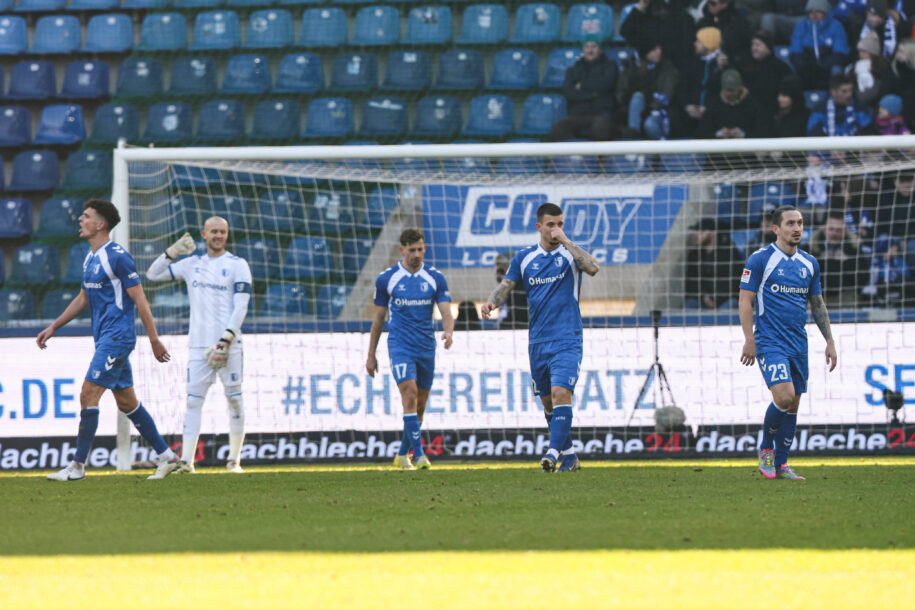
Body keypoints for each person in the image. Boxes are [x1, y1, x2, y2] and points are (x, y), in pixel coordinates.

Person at [37, 199, 181, 481]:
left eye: (86, 216)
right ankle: (167, 456)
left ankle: (77, 467)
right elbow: (83, 298)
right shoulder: (91, 257)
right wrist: (54, 326)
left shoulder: (118, 257)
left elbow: (140, 299)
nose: (80, 219)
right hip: (105, 337)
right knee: (127, 403)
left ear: (100, 224)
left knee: (87, 394)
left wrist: (154, 340)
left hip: (117, 337)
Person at [480, 203, 600, 473]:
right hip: (537, 341)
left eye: (560, 224)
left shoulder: (570, 254)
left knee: (561, 394)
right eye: (551, 224)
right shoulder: (525, 257)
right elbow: (506, 286)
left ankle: (552, 453)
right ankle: (570, 457)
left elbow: (593, 267)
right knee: (547, 401)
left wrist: (566, 241)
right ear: (539, 227)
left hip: (567, 337)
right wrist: (491, 302)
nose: (556, 229)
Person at [145, 216, 253, 474]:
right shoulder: (192, 264)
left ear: (227, 235)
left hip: (229, 345)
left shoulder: (238, 265)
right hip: (198, 346)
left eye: (222, 232)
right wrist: (173, 251)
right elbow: (152, 274)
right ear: (204, 234)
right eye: (213, 231)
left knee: (234, 400)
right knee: (193, 402)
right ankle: (187, 462)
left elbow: (241, 306)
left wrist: (226, 339)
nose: (218, 236)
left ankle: (234, 461)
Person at [739, 206, 838, 481]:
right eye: (791, 223)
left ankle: (782, 464)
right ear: (776, 229)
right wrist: (749, 339)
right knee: (783, 395)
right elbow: (745, 300)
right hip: (770, 341)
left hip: (798, 343)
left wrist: (829, 341)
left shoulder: (810, 263)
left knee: (793, 404)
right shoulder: (760, 259)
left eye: (800, 223)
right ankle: (766, 450)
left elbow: (817, 304)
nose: (797, 228)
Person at [366, 228, 453, 470]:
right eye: (412, 250)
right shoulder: (387, 279)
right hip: (400, 346)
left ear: (425, 249)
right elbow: (378, 318)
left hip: (426, 347)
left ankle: (402, 454)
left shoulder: (435, 278)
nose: (416, 254)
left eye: (420, 249)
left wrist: (448, 331)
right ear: (402, 250)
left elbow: (446, 311)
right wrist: (371, 355)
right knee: (410, 394)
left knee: (420, 405)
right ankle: (420, 456)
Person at [550, 33, 618, 142]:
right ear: (583, 49)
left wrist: (582, 85)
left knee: (601, 128)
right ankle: (574, 152)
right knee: (558, 129)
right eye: (587, 47)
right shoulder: (574, 69)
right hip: (578, 113)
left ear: (600, 49)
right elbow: (568, 92)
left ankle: (596, 154)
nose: (590, 50)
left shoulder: (610, 66)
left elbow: (606, 84)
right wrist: (594, 94)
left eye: (594, 47)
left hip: (601, 112)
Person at [616, 35, 679, 140]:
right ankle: (633, 136)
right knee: (637, 98)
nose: (659, 52)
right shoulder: (630, 66)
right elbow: (620, 92)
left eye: (659, 49)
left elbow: (666, 94)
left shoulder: (667, 67)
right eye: (654, 50)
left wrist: (650, 109)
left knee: (650, 125)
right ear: (645, 53)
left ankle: (660, 149)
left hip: (660, 110)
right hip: (632, 110)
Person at [621, 0, 697, 73]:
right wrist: (641, 8)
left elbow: (685, 48)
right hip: (646, 65)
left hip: (672, 68)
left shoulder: (684, 20)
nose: (661, 11)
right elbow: (626, 32)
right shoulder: (645, 19)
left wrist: (661, 53)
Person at [684, 218, 744, 309]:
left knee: (731, 304)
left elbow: (735, 281)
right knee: (689, 304)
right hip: (702, 300)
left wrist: (716, 299)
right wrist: (704, 297)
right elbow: (691, 283)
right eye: (696, 231)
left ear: (713, 233)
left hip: (725, 299)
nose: (696, 234)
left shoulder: (728, 252)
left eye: (701, 231)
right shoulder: (694, 255)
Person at [789, 0, 850, 90]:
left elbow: (840, 51)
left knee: (836, 69)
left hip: (827, 65)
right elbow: (795, 50)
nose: (814, 15)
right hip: (808, 68)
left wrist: (823, 65)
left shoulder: (836, 26)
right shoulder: (801, 26)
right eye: (811, 12)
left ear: (825, 12)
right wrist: (806, 65)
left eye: (818, 11)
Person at [675, 27, 724, 138]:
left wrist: (708, 109)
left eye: (699, 41)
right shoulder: (692, 63)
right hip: (689, 115)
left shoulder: (723, 64)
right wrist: (687, 106)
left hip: (713, 117)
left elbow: (722, 93)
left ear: (708, 43)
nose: (695, 44)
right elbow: (681, 88)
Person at [809, 210, 863, 301]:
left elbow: (863, 279)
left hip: (846, 295)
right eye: (831, 229)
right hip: (817, 295)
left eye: (839, 230)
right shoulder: (811, 247)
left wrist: (846, 261)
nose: (834, 234)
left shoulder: (854, 248)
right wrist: (822, 260)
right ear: (824, 230)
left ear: (844, 232)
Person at [697, 69, 766, 139]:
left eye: (733, 90)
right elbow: (702, 134)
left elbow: (763, 134)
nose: (730, 93)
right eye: (728, 89)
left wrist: (743, 135)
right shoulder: (713, 107)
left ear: (740, 86)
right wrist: (719, 134)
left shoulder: (752, 107)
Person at [740, 30, 792, 117]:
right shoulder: (746, 66)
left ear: (768, 47)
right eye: (753, 44)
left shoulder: (782, 68)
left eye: (758, 45)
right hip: (749, 113)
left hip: (772, 114)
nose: (754, 48)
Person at [807, 74, 873, 136]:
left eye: (851, 90)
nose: (849, 95)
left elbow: (869, 133)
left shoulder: (860, 109)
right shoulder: (819, 111)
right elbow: (813, 135)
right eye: (844, 91)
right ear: (833, 92)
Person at [696, 0, 753, 66]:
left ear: (724, 4)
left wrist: (730, 59)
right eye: (708, 2)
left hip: (729, 62)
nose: (708, 5)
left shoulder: (737, 22)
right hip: (703, 61)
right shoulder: (703, 22)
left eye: (713, 3)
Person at [494, 251, 528, 329]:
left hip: (518, 327)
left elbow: (519, 315)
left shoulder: (518, 288)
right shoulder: (506, 289)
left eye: (501, 271)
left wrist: (503, 325)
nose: (498, 274)